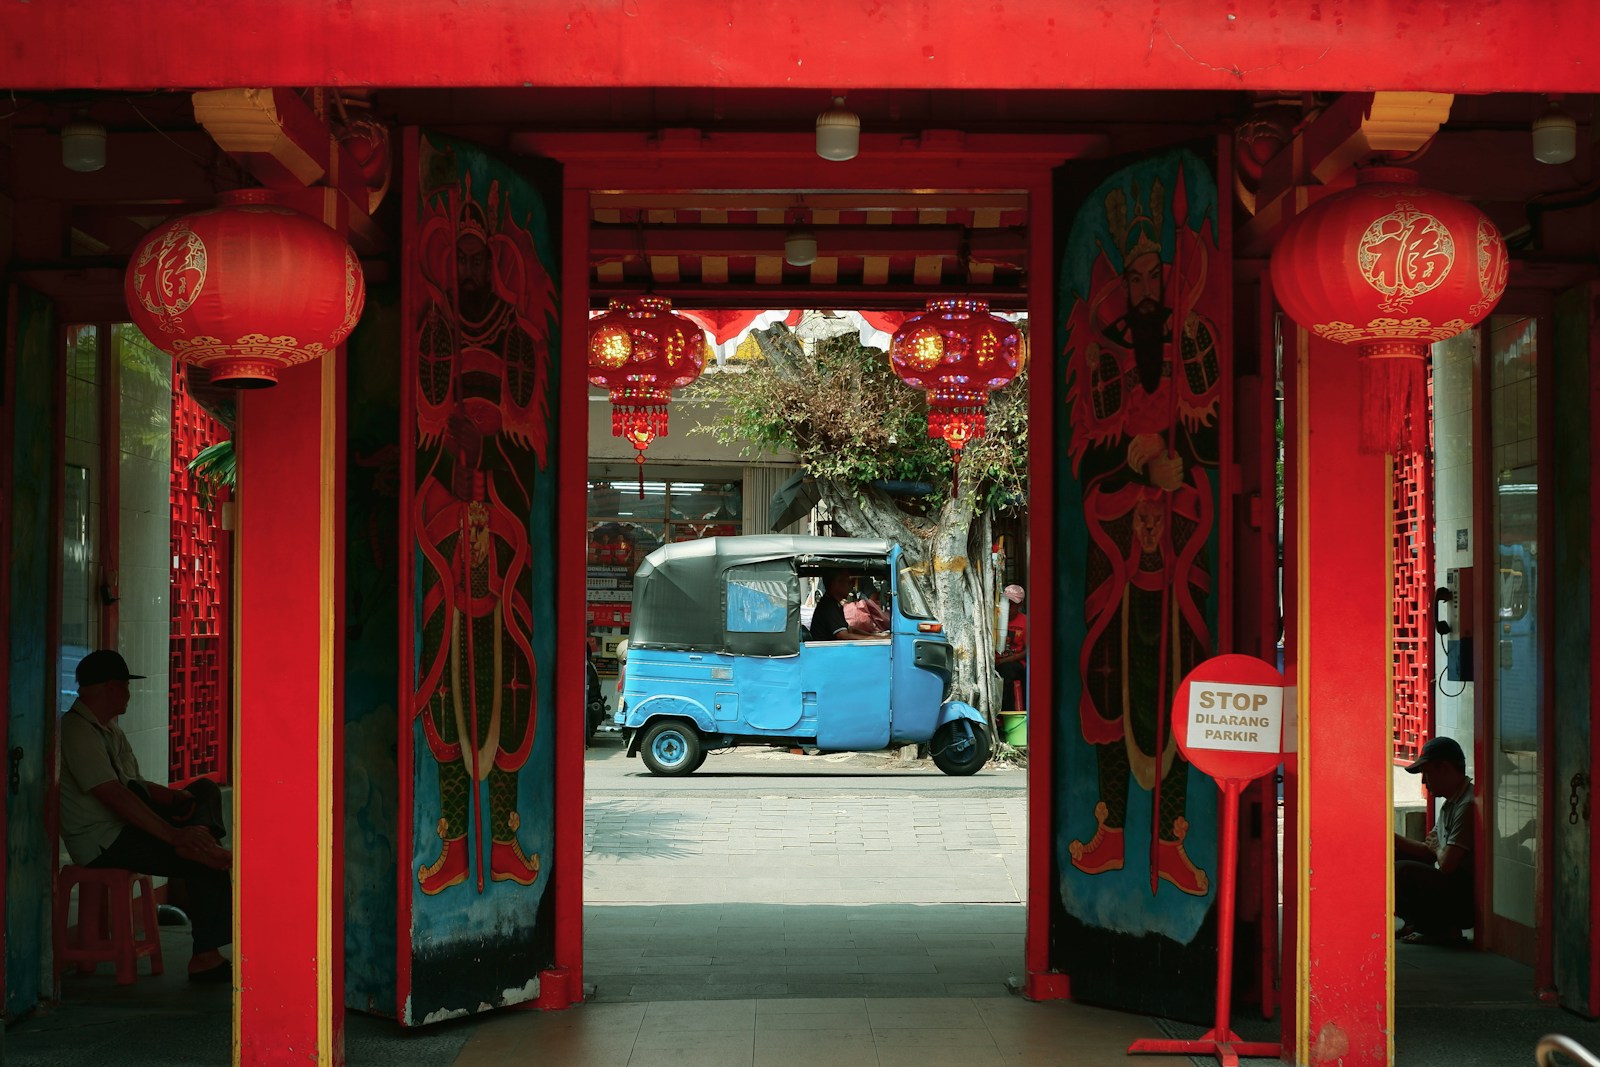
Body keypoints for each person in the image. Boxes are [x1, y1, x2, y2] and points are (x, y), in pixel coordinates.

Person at [1064, 171, 1221, 898]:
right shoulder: (1107, 349)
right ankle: (1112, 833)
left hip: (1177, 563)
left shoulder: (1193, 344)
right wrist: (1127, 463)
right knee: (1109, 699)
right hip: (1120, 562)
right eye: (1133, 275)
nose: (1144, 285)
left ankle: (1171, 842)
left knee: (1181, 699)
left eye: (1153, 271)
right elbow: (1083, 454)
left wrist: (1179, 467)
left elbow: (1216, 439)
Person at [59, 650, 233, 982]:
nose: (128, 693)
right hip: (103, 839)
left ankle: (202, 840)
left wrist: (175, 799)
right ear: (110, 687)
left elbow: (134, 786)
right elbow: (113, 795)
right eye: (125, 686)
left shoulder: (109, 730)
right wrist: (173, 835)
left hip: (126, 825)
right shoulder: (76, 731)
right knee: (201, 861)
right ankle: (204, 958)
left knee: (205, 790)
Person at [1394, 735, 1475, 944]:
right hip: (1450, 883)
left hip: (1465, 898)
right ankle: (1419, 925)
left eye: (1426, 774)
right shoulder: (1450, 803)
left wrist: (1438, 847)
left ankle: (1443, 929)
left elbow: (1447, 864)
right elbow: (1427, 850)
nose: (1424, 782)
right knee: (1390, 858)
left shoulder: (1467, 805)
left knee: (1400, 872)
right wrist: (1388, 838)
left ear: (1445, 768)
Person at [809, 570, 880, 641]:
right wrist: (873, 639)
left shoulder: (835, 604)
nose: (850, 586)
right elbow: (843, 635)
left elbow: (850, 630)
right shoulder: (829, 606)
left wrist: (875, 636)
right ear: (836, 584)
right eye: (848, 582)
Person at [996, 584, 1028, 711]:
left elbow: (1027, 651)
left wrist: (1003, 661)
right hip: (996, 659)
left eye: (1012, 604)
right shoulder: (996, 618)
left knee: (1006, 674)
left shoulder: (1025, 622)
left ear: (1020, 605)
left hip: (1015, 662)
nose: (1008, 607)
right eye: (1006, 602)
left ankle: (1005, 713)